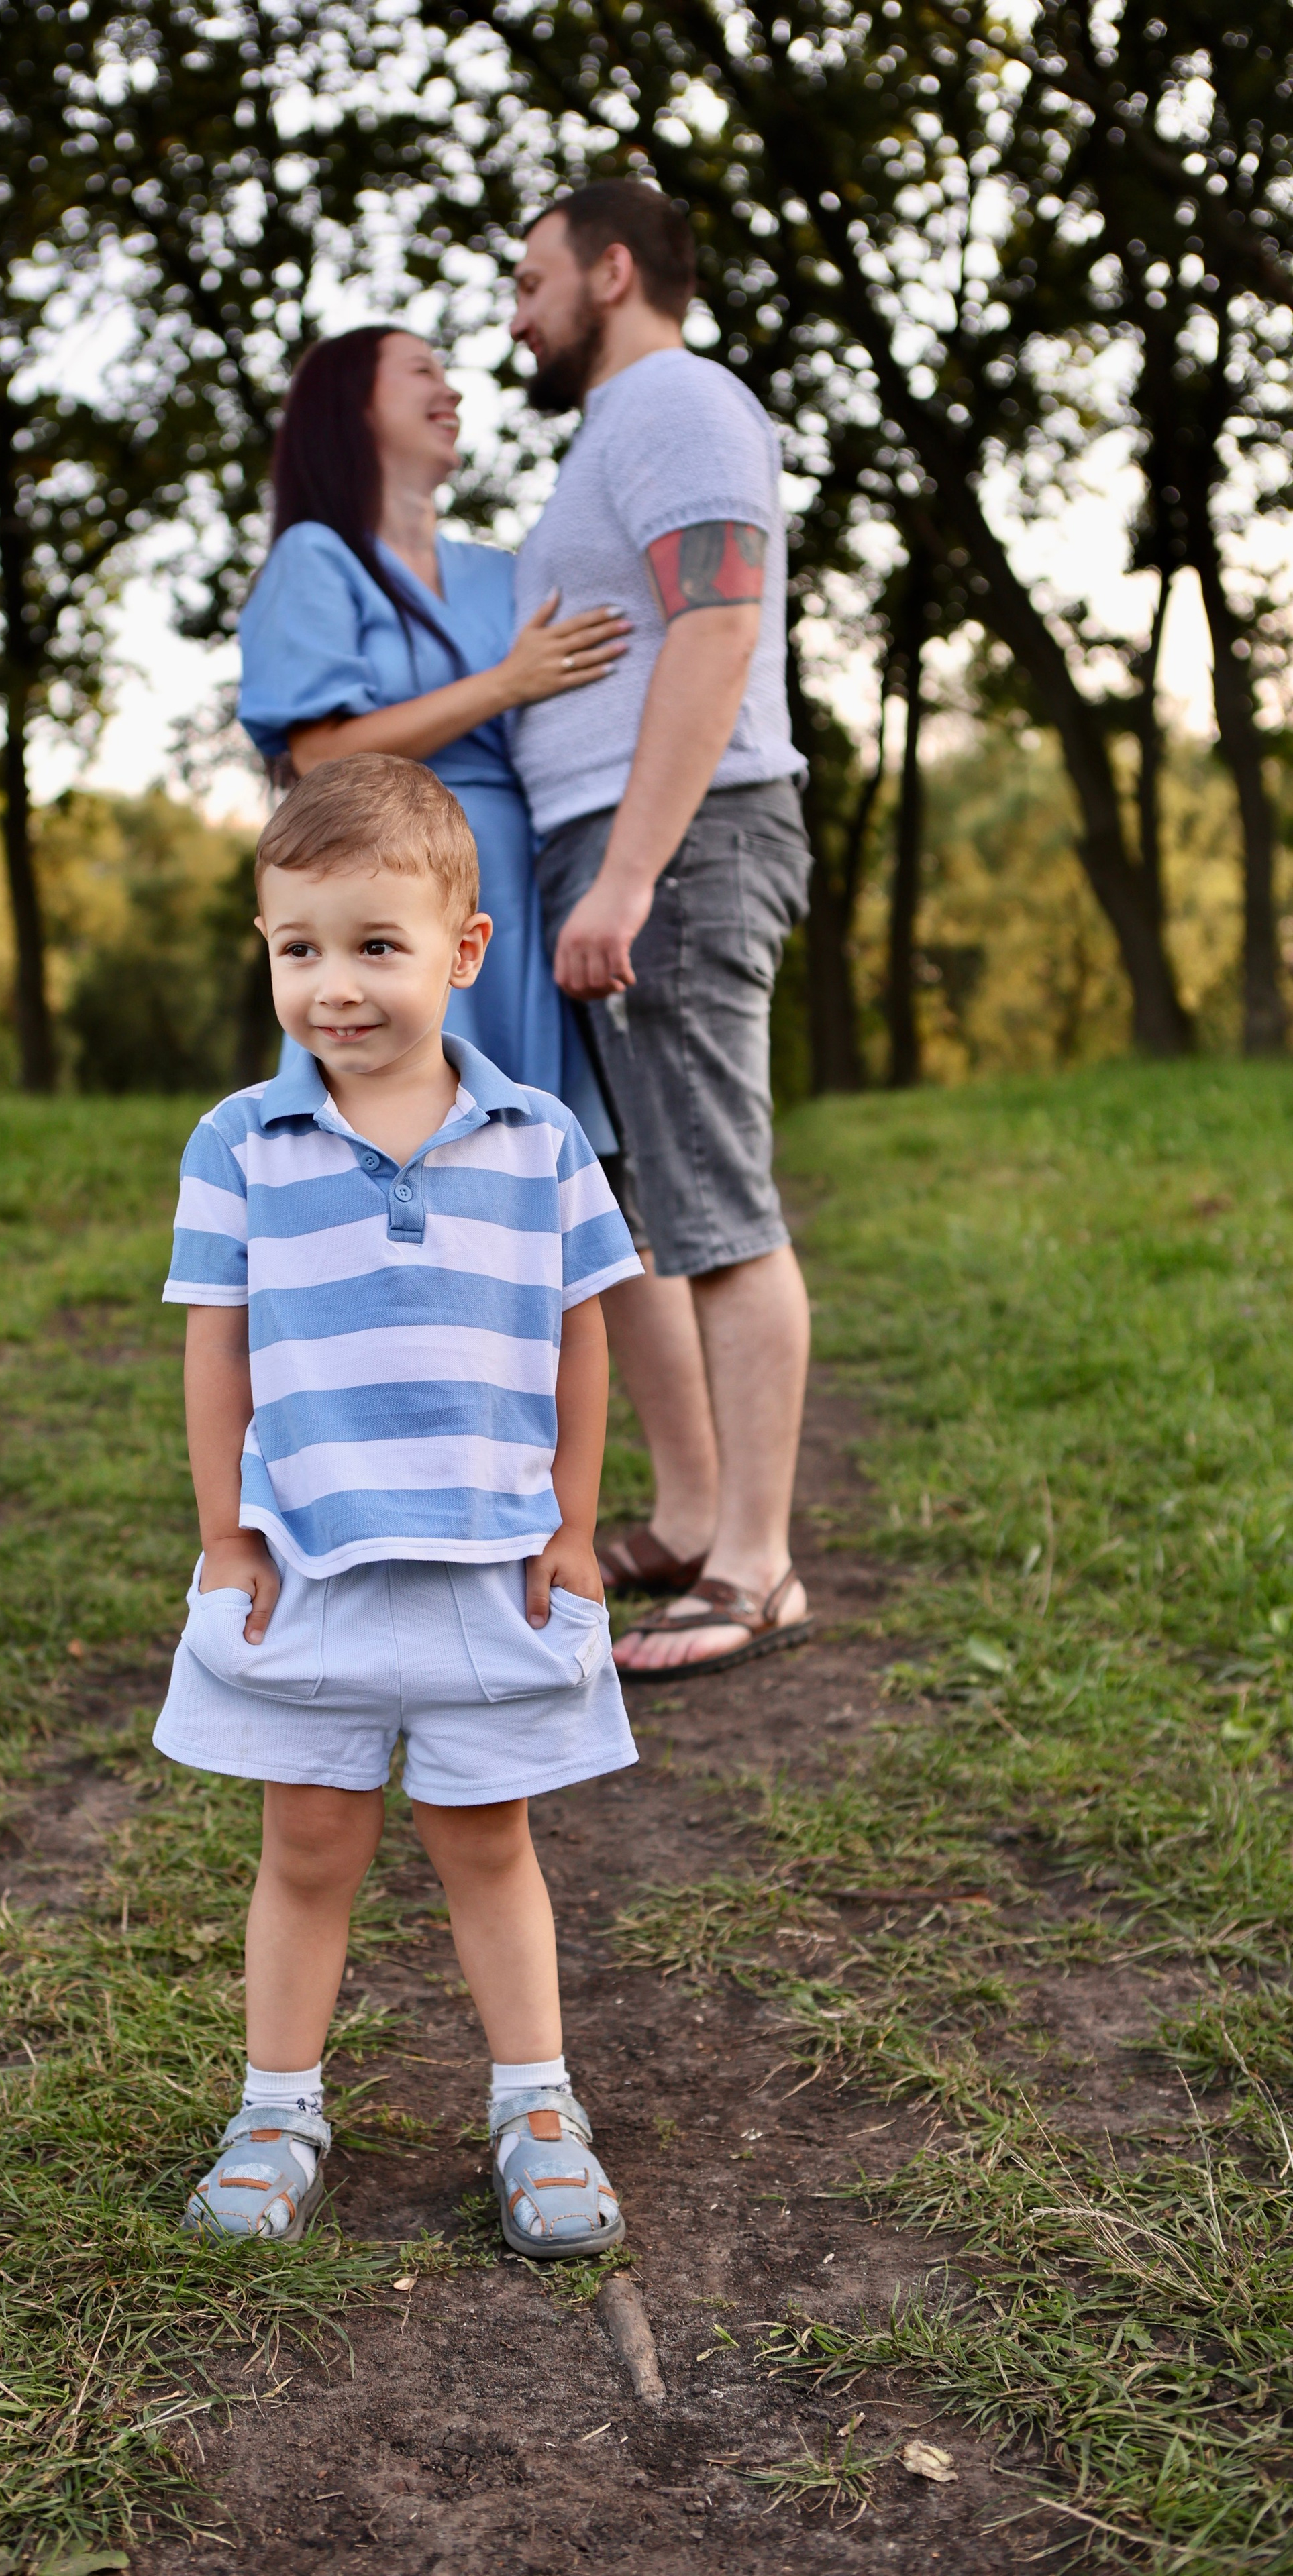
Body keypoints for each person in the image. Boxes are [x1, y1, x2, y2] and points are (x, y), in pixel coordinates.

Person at [156, 751, 643, 2254]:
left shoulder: (539, 1142)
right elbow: (214, 1341)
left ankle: (536, 2105)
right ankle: (275, 2104)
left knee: (482, 1836)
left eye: (376, 945)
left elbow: (581, 1336)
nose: (335, 986)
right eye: (299, 948)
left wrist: (572, 1523)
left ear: (463, 950)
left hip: (488, 1561)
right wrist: (228, 1533)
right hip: (306, 1560)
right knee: (306, 1840)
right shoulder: (242, 1141)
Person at [508, 180, 817, 1681]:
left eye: (530, 280)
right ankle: (694, 1518)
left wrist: (629, 875)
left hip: (678, 852)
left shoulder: (677, 401)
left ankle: (756, 1567)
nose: (516, 314)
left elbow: (715, 626)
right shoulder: (619, 429)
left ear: (610, 270)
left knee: (714, 1204)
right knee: (655, 1204)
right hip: (629, 850)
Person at [236, 325, 625, 1153]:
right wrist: (505, 684)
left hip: (518, 884)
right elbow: (321, 756)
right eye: (421, 373)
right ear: (355, 409)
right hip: (393, 883)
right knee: (405, 1148)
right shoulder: (319, 558)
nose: (449, 394)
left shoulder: (503, 571)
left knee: (540, 1164)